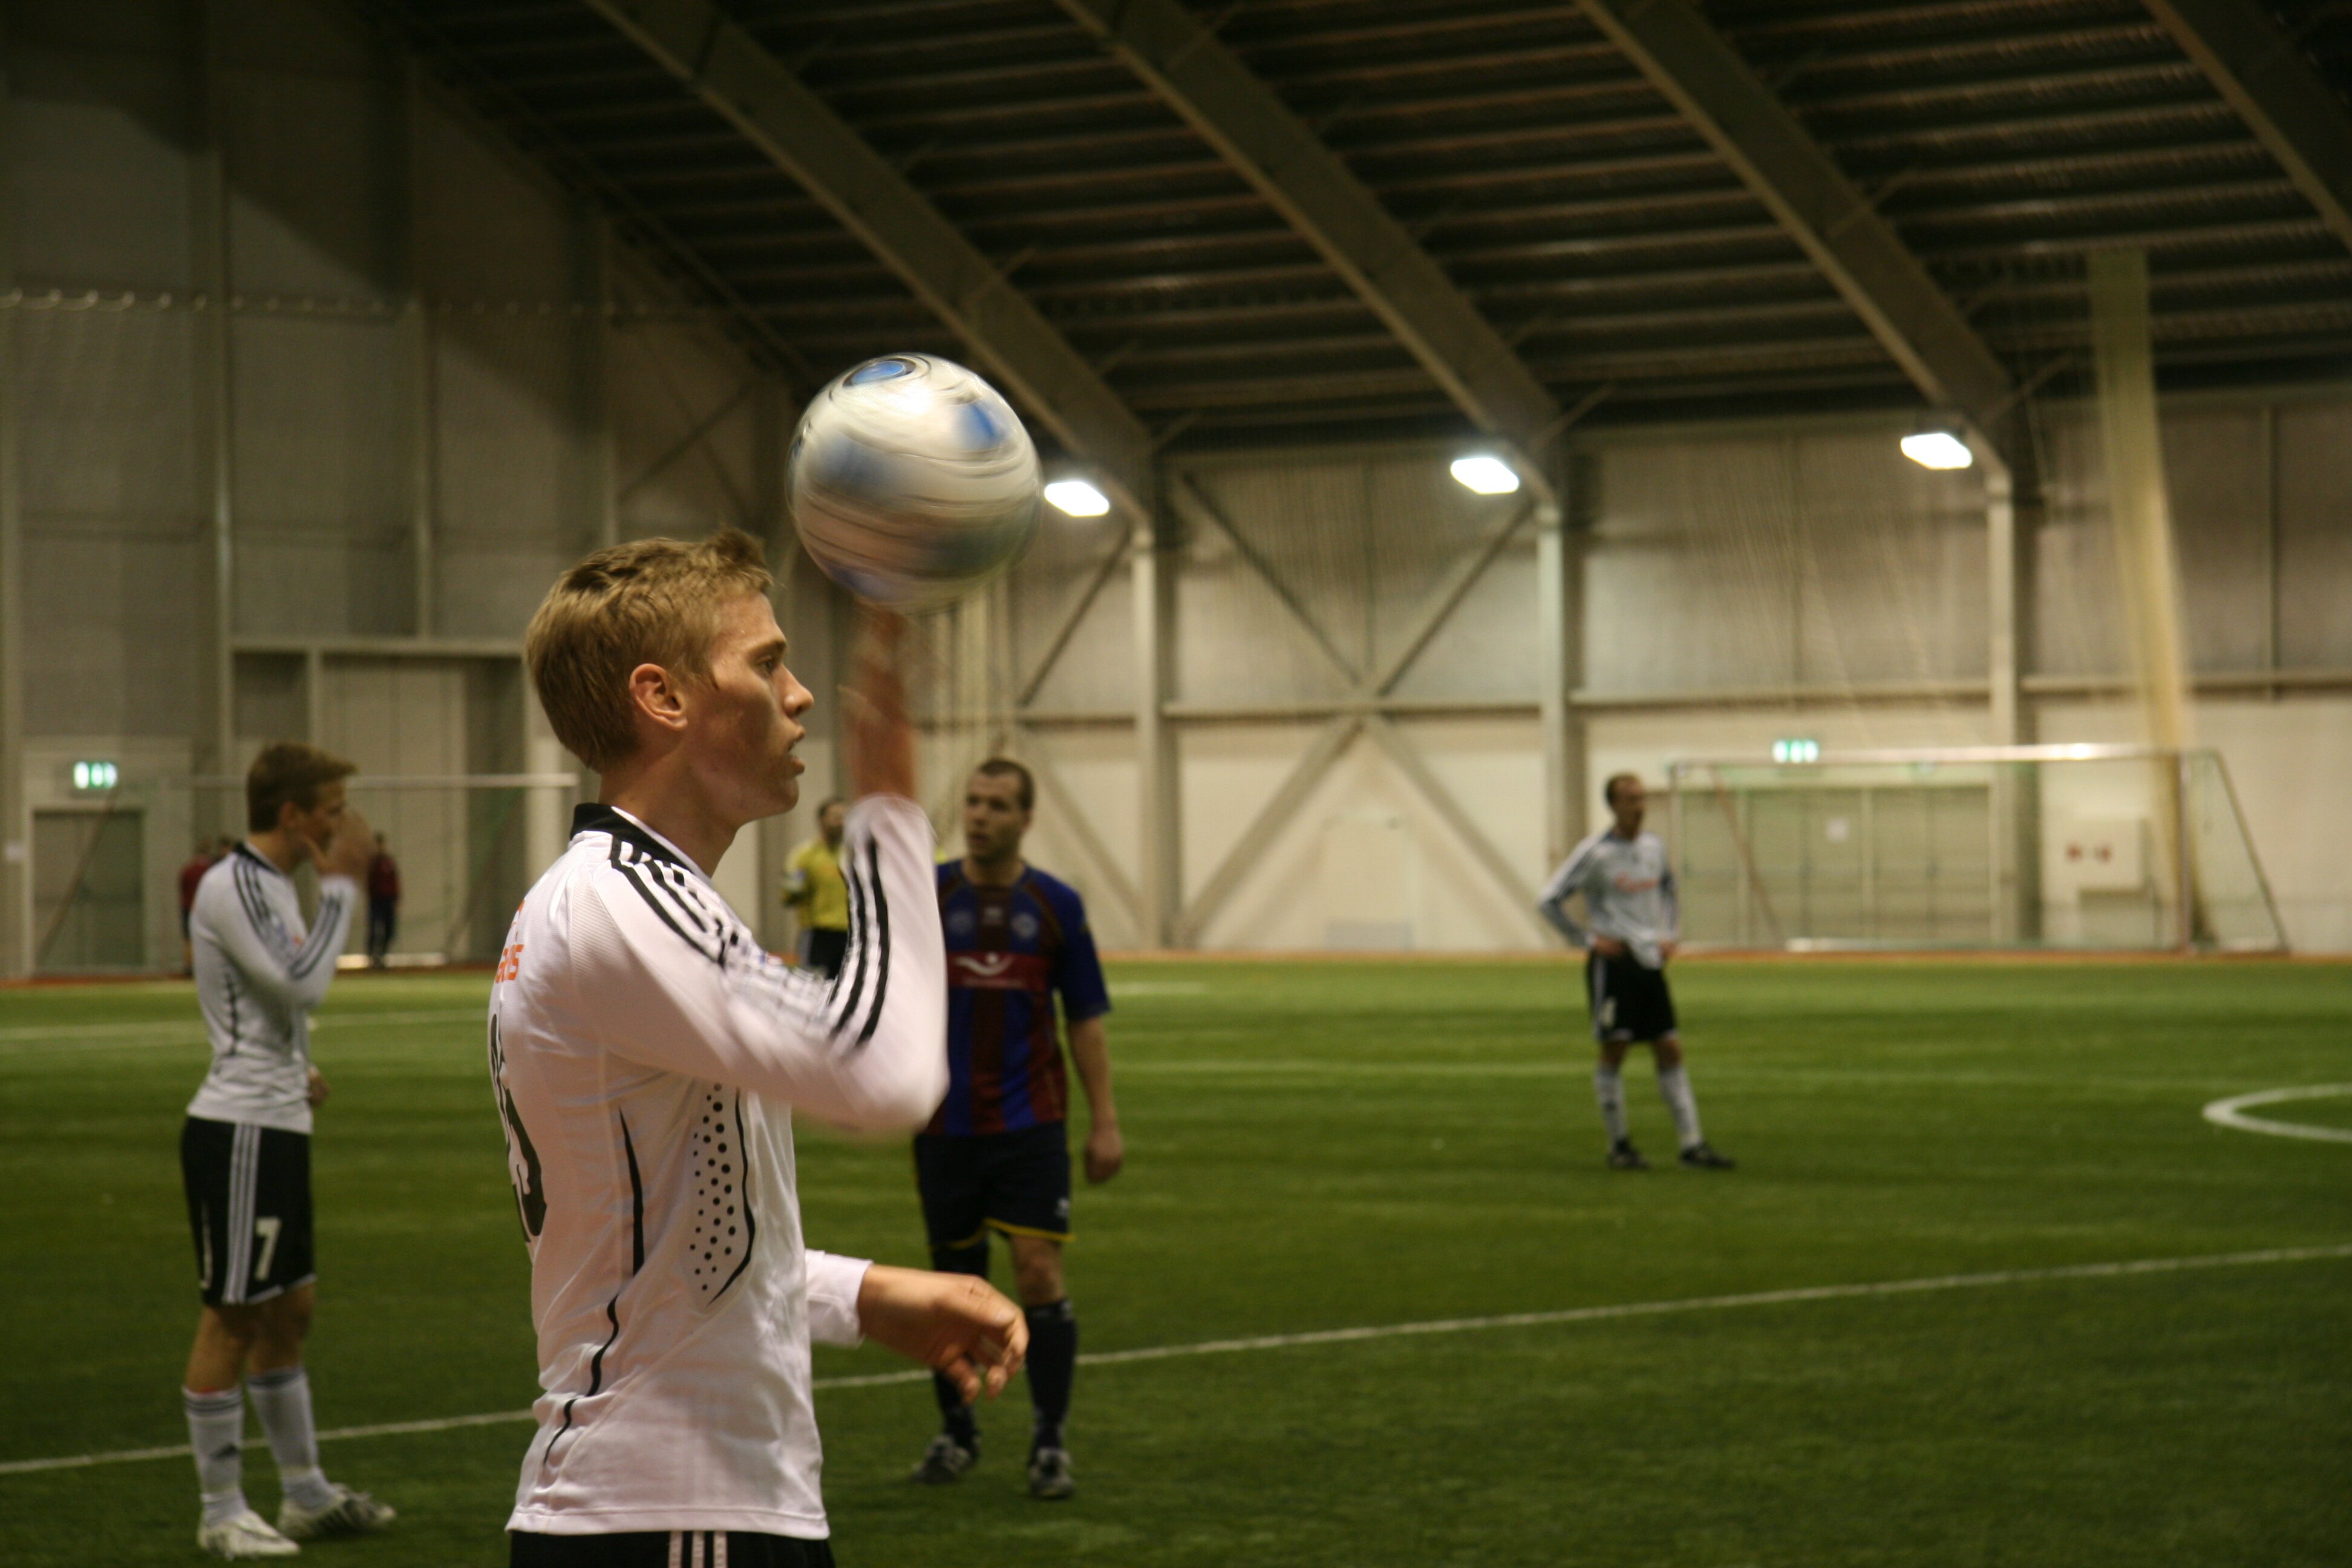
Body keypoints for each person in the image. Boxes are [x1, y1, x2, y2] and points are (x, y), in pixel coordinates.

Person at [498, 528, 1027, 1567]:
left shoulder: (628, 895)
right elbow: (884, 1071)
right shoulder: (615, 902)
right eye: (766, 662)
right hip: (673, 1515)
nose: (800, 696)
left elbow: (673, 1236)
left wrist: (860, 1296)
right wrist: (884, 808)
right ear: (665, 697)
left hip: (678, 1510)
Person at [179, 742, 396, 1558]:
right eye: (333, 810)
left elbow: (271, 1000)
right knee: (233, 1315)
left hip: (275, 1119)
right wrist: (343, 883)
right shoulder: (231, 883)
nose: (346, 826)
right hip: (237, 1128)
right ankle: (221, 1509)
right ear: (294, 815)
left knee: (288, 1313)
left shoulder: (268, 886)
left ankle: (303, 1493)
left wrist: (294, 1066)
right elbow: (301, 980)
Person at [910, 757, 1122, 1501]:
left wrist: (1105, 1124)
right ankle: (958, 1433)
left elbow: (1085, 1020)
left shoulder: (1056, 904)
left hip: (1032, 1123)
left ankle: (1049, 1440)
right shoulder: (928, 895)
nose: (981, 815)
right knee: (952, 1290)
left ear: (1026, 818)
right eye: (972, 801)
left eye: (998, 805)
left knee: (1038, 1270)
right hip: (944, 1125)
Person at [1537, 773, 1733, 1172]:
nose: (1639, 806)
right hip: (1615, 966)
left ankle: (1692, 1145)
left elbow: (1668, 890)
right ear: (1613, 805)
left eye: (1642, 798)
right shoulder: (1595, 853)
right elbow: (1549, 900)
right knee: (1616, 1048)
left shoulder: (1653, 848)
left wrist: (1669, 935)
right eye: (1629, 799)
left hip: (1649, 963)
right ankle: (1619, 1145)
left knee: (1669, 1047)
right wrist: (1589, 940)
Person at [781, 798, 851, 976]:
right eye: (836, 817)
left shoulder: (852, 856)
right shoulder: (805, 855)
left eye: (844, 817)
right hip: (817, 936)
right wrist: (796, 888)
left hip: (850, 936)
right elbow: (789, 895)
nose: (841, 822)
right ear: (821, 821)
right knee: (813, 987)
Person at [178, 838, 220, 975]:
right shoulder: (211, 871)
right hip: (206, 909)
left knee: (188, 939)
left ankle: (189, 967)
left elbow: (182, 889)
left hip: (188, 907)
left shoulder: (188, 870)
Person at [364, 834, 400, 969]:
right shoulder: (371, 863)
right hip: (376, 901)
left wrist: (396, 899)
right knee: (374, 930)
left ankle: (382, 956)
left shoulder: (389, 862)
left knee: (390, 931)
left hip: (388, 901)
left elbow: (395, 882)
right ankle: (371, 958)